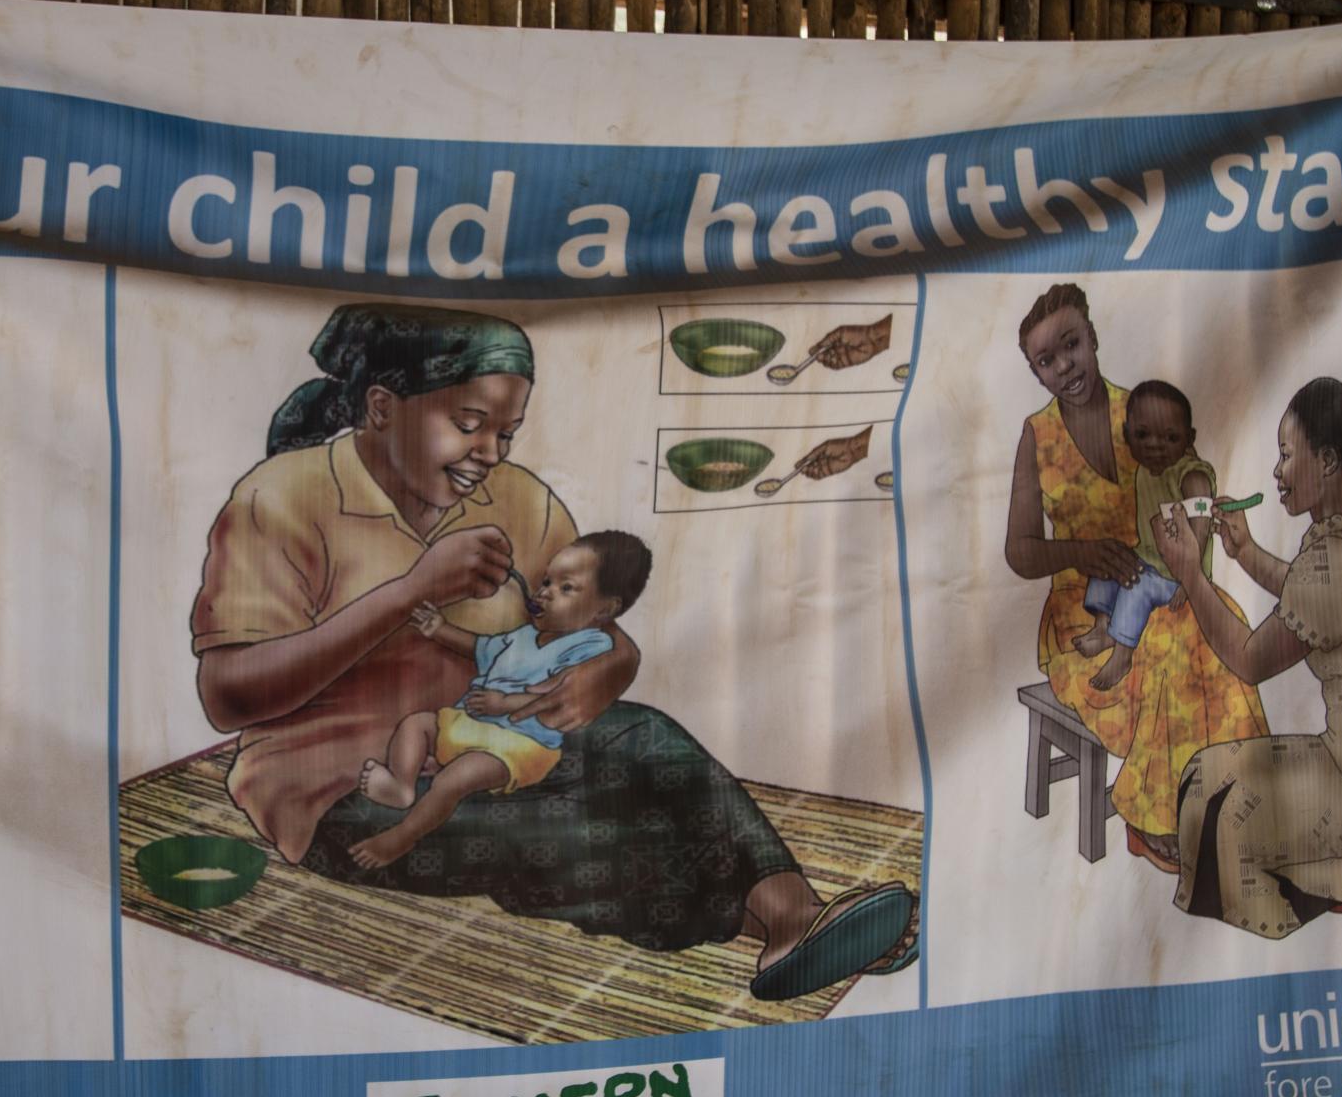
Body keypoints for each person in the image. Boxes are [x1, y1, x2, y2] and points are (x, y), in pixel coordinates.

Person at [189, 302, 916, 1001]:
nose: (490, 454)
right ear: (382, 408)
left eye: (506, 432)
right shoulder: (280, 498)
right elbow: (227, 697)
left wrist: (608, 670)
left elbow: (594, 624)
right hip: (347, 786)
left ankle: (797, 915)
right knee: (574, 836)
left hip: (498, 735)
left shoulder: (515, 498)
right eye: (469, 425)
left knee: (650, 737)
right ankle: (769, 929)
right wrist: (407, 592)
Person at [1149, 379, 1342, 952]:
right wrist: (1243, 554)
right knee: (1206, 780)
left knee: (1223, 819)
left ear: (1328, 460)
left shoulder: (1336, 556)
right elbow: (1309, 599)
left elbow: (1249, 660)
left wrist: (1191, 573)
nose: (1277, 471)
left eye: (1287, 455)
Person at [1003, 284, 1268, 863]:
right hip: (1086, 611)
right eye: (1045, 361)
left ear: (1093, 339)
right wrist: (1081, 551)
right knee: (1174, 649)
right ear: (1035, 371)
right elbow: (1020, 552)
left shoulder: (1146, 412)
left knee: (1225, 627)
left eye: (1071, 345)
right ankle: (1153, 818)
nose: (1063, 366)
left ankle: (1235, 799)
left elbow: (1193, 480)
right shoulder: (1037, 436)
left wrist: (1195, 534)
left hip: (1165, 582)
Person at [353, 531, 652, 869]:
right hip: (470, 723)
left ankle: (401, 837)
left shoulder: (590, 646)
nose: (546, 593)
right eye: (547, 582)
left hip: (519, 743)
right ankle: (400, 786)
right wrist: (440, 629)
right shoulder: (523, 636)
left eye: (566, 588)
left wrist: (504, 705)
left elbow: (556, 697)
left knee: (454, 780)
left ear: (604, 610)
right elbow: (480, 647)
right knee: (416, 724)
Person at [1069, 380, 1218, 693]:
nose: (1155, 445)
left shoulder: (1190, 474)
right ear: (1127, 436)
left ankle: (1123, 655)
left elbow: (1201, 525)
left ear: (1189, 439)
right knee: (1112, 561)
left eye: (1170, 437)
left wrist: (1191, 579)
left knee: (1138, 585)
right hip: (1150, 555)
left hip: (1178, 572)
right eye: (1142, 435)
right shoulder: (1145, 468)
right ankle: (1103, 628)